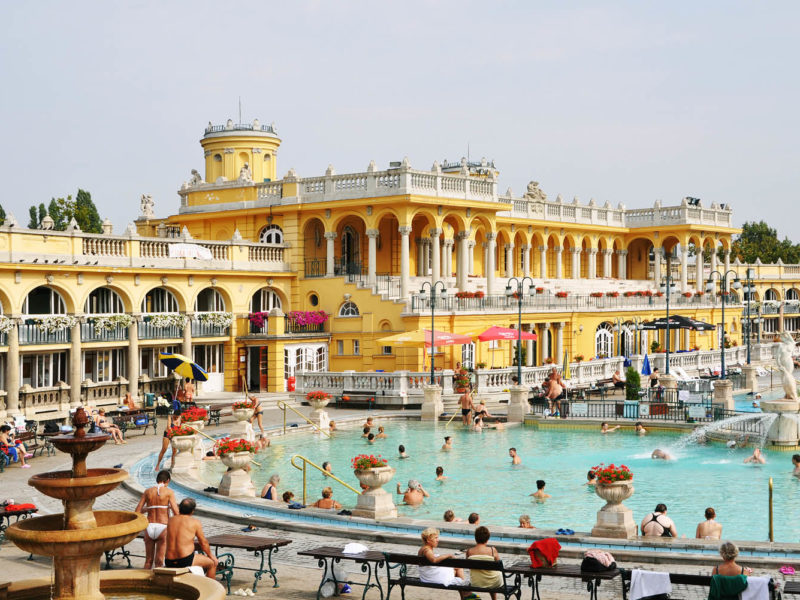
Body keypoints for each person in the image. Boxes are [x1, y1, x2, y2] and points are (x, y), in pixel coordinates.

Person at [135, 470, 179, 569]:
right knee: (159, 562)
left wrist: (147, 509)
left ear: (157, 480)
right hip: (163, 527)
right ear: (168, 480)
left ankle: (144, 583)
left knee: (148, 561)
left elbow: (137, 511)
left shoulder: (147, 491)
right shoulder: (169, 492)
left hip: (149, 527)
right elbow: (176, 513)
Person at [164, 498, 216, 578]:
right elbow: (203, 543)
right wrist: (211, 556)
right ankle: (210, 589)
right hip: (185, 560)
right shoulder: (195, 522)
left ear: (179, 508)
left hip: (169, 561)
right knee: (212, 564)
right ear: (192, 511)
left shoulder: (170, 520)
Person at [417, 528, 468, 595]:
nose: (438, 540)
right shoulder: (427, 550)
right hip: (431, 578)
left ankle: (464, 593)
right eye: (435, 538)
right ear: (428, 540)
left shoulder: (425, 548)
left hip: (427, 576)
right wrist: (448, 555)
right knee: (458, 569)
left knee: (455, 570)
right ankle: (465, 593)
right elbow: (434, 560)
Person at [467, 526, 502, 599]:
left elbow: (469, 567)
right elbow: (499, 566)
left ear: (475, 538)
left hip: (476, 582)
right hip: (493, 582)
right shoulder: (492, 550)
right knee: (492, 575)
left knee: (487, 574)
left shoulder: (469, 551)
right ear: (487, 538)